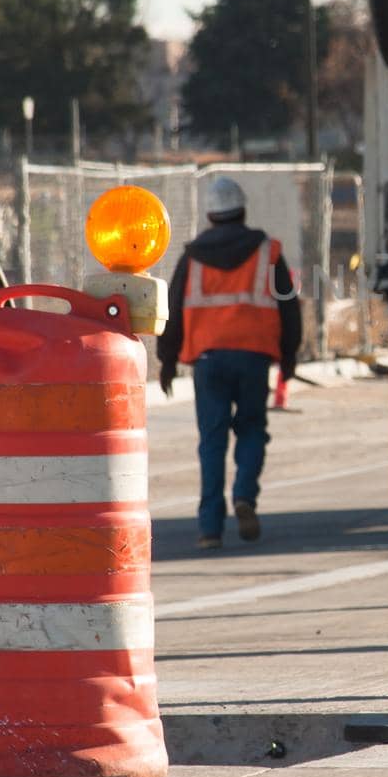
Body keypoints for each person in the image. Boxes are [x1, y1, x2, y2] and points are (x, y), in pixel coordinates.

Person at [158, 176, 301, 548]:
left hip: (208, 360)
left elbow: (172, 310)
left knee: (212, 441)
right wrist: (289, 358)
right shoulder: (268, 252)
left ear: (210, 213)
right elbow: (289, 309)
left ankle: (209, 529)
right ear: (242, 210)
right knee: (252, 430)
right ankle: (244, 497)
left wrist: (167, 361)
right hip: (253, 356)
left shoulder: (191, 258)